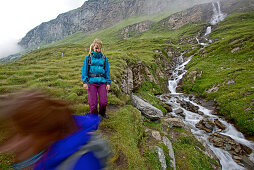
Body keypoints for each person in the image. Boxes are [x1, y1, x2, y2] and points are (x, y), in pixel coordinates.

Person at [0, 90, 110, 170]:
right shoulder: (48, 146)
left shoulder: (83, 164)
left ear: (45, 133)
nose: (9, 147)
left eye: (21, 135)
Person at [82, 39, 111, 119]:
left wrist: (108, 83)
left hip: (102, 82)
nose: (97, 49)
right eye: (96, 48)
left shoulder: (105, 59)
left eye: (98, 48)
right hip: (91, 82)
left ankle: (102, 113)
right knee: (93, 103)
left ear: (101, 48)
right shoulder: (88, 58)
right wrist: (85, 82)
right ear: (93, 47)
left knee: (103, 102)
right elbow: (85, 70)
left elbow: (107, 71)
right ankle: (94, 116)